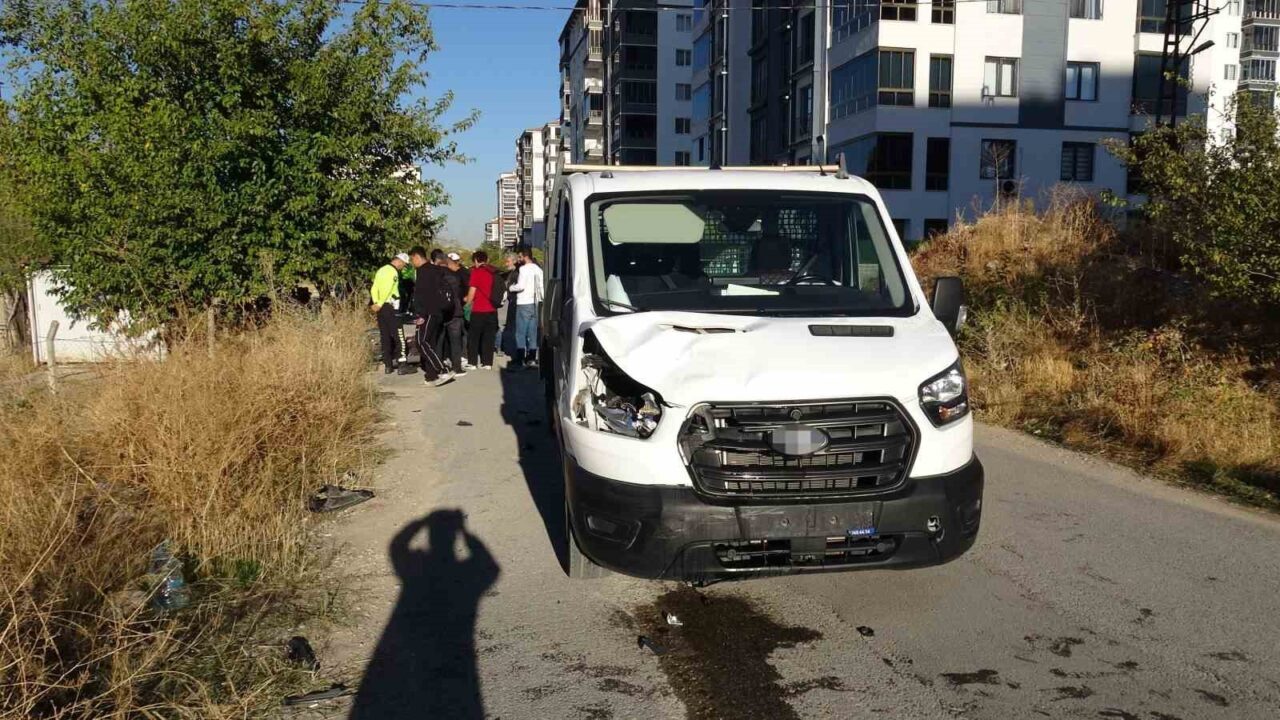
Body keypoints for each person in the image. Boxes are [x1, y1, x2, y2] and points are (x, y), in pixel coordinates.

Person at [409, 247, 458, 387]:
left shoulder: (423, 271)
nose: (412, 262)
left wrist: (420, 314)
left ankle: (443, 370)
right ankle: (431, 376)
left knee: (421, 342)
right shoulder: (436, 270)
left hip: (428, 312)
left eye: (412, 259)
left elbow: (422, 295)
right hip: (438, 312)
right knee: (430, 343)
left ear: (417, 257)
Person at [370, 253, 409, 374]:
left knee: (385, 335)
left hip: (381, 308)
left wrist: (376, 303)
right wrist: (380, 303)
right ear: (399, 261)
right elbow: (387, 289)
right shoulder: (393, 272)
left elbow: (374, 287)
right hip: (391, 306)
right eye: (404, 265)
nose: (403, 267)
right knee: (399, 335)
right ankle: (402, 364)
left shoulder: (381, 270)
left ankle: (388, 365)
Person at [507, 247, 544, 369]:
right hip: (535, 302)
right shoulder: (538, 269)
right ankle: (532, 358)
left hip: (524, 302)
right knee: (532, 332)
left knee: (520, 333)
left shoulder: (523, 269)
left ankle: (520, 358)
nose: (519, 259)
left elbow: (521, 286)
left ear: (525, 256)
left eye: (520, 257)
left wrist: (511, 287)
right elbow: (541, 287)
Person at [463, 251, 499, 369]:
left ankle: (473, 362)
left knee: (474, 337)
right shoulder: (493, 272)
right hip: (492, 309)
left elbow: (472, 292)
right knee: (489, 338)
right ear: (487, 260)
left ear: (475, 260)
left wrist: (467, 303)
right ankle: (487, 363)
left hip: (479, 310)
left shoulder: (476, 272)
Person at [445, 252, 471, 369]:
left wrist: (467, 299)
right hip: (458, 305)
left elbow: (469, 288)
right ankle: (460, 355)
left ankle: (463, 355)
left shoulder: (463, 273)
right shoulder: (455, 273)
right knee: (459, 332)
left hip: (463, 305)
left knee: (463, 332)